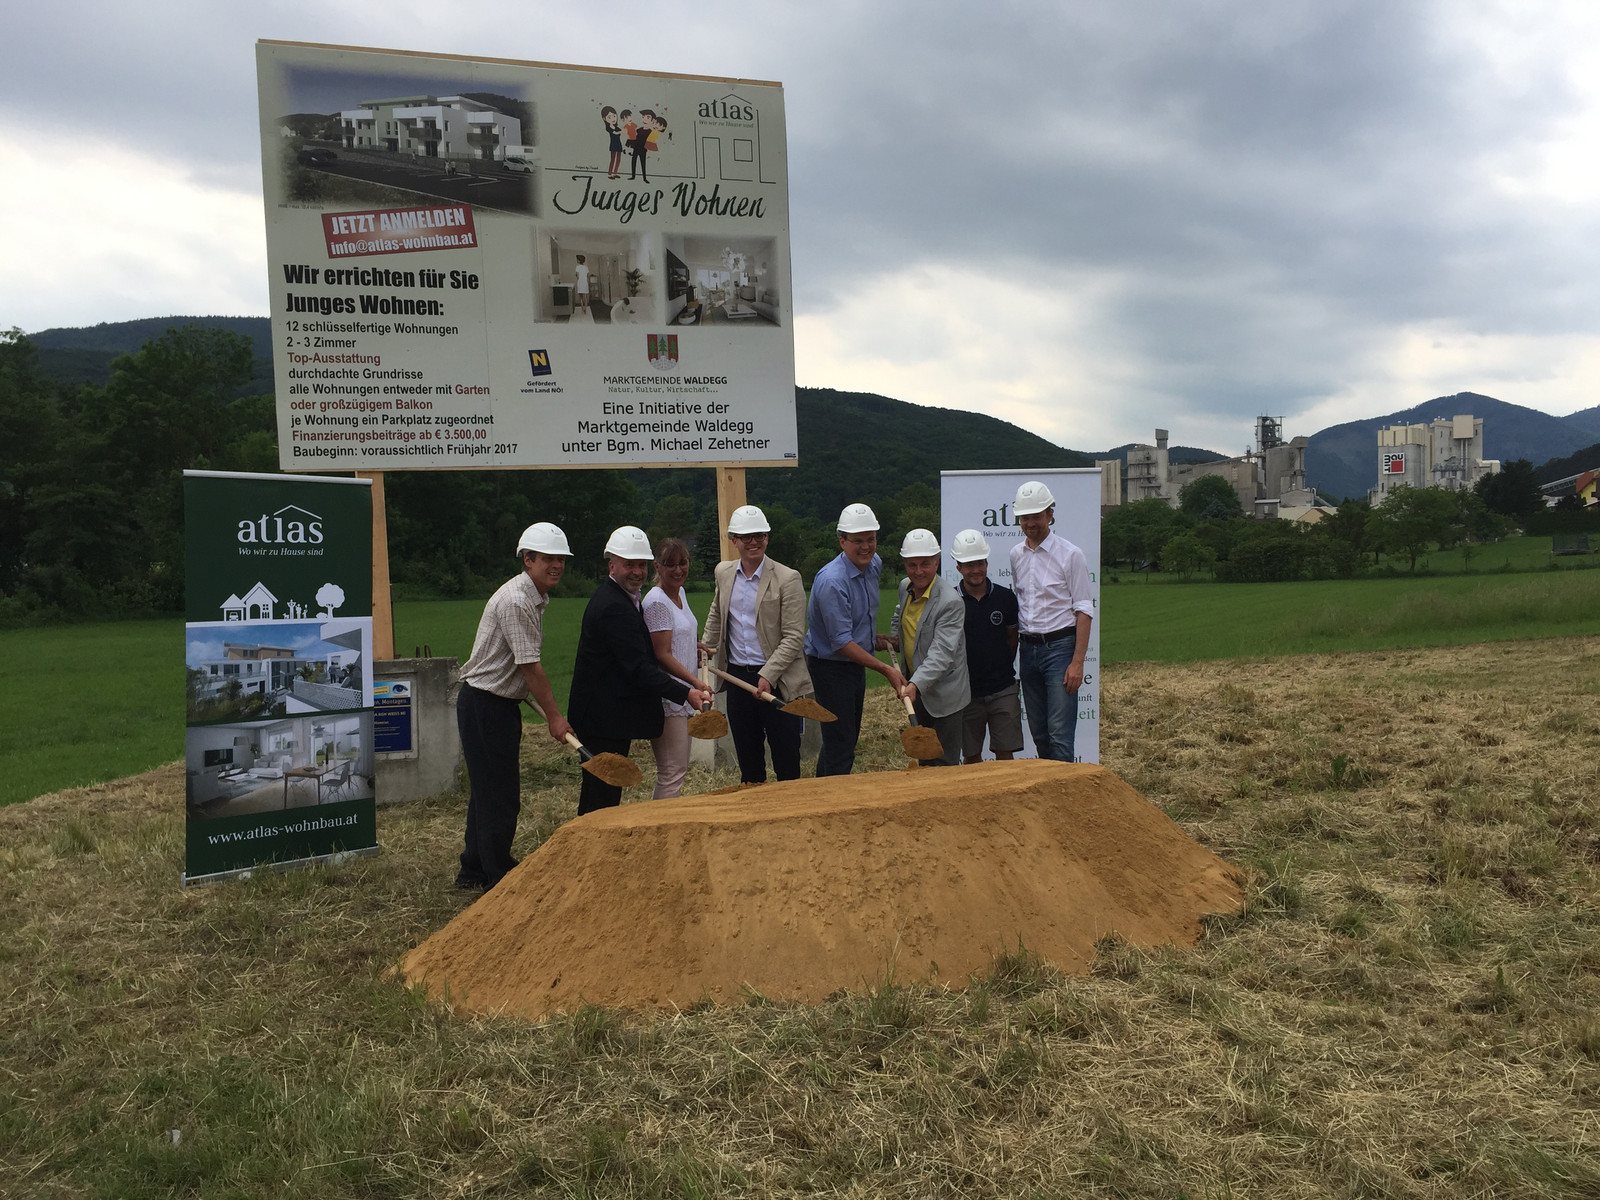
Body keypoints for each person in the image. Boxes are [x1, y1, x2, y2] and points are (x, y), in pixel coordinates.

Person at [454, 522, 574, 890]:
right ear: (528, 559)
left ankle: (473, 869)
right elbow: (530, 667)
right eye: (548, 558)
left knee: (487, 791)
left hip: (495, 703)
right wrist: (555, 718)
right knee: (500, 796)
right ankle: (498, 877)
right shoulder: (517, 600)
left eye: (561, 559)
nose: (556, 565)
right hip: (485, 705)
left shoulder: (533, 597)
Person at [568, 526, 712, 814]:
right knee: (600, 797)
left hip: (610, 715)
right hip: (601, 717)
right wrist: (687, 692)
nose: (636, 572)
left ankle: (600, 838)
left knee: (606, 794)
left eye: (640, 565)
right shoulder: (614, 606)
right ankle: (592, 840)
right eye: (629, 565)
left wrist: (687, 644)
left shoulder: (624, 599)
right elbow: (639, 667)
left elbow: (642, 649)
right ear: (612, 565)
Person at [700, 505, 813, 784]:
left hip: (779, 681)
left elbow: (794, 636)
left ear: (767, 538)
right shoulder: (724, 573)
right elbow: (717, 612)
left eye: (759, 536)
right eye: (746, 537)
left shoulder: (788, 578)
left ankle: (790, 807)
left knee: (786, 758)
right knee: (749, 761)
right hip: (738, 678)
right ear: (734, 540)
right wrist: (706, 646)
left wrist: (768, 675)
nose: (754, 542)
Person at [804, 503, 906, 776]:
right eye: (857, 541)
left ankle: (822, 789)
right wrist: (886, 669)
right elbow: (840, 642)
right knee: (840, 742)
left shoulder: (873, 565)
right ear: (842, 541)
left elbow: (858, 619)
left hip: (854, 662)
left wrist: (872, 638)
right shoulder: (832, 582)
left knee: (843, 739)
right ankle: (834, 797)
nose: (866, 547)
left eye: (870, 539)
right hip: (830, 668)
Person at [1009, 480, 1094, 761]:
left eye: (1036, 516)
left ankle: (1065, 788)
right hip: (1028, 649)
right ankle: (1049, 786)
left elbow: (1084, 609)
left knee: (1059, 734)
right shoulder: (1016, 555)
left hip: (1060, 650)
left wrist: (1077, 662)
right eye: (1025, 517)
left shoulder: (1070, 555)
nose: (1030, 523)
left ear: (1050, 515)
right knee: (1039, 733)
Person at [889, 529, 970, 767]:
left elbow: (942, 654)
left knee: (944, 764)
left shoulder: (950, 602)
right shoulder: (905, 587)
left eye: (925, 563)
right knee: (924, 760)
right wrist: (893, 639)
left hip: (946, 696)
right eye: (912, 564)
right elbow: (900, 615)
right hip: (918, 692)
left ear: (937, 562)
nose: (918, 571)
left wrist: (915, 685)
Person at [949, 529, 1023, 763]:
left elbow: (1012, 639)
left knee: (1005, 753)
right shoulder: (950, 601)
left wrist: (1000, 668)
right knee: (971, 757)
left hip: (1003, 688)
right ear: (959, 567)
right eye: (969, 565)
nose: (976, 570)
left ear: (987, 563)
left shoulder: (1005, 598)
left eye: (980, 563)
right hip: (966, 692)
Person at [641, 537, 701, 799]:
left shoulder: (680, 593)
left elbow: (677, 635)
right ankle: (661, 821)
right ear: (657, 566)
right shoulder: (657, 602)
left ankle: (668, 818)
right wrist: (695, 682)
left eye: (683, 563)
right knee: (672, 771)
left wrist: (694, 645)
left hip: (684, 694)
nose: (678, 570)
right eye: (670, 564)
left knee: (678, 768)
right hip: (669, 698)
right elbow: (662, 654)